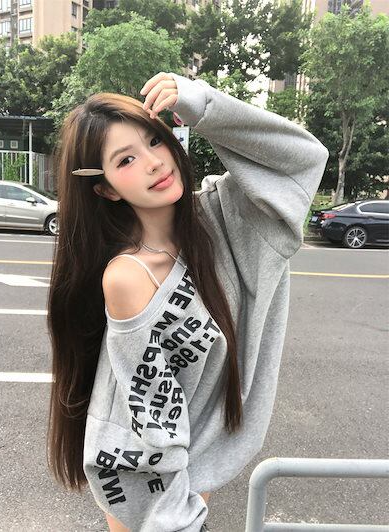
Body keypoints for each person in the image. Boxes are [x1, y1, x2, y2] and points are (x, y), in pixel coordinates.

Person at [46, 71, 329, 532]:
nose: (154, 163)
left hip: (197, 468)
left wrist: (204, 106)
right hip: (146, 488)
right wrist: (179, 518)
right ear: (106, 188)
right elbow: (152, 412)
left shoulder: (223, 220)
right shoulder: (129, 277)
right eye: (126, 159)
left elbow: (304, 159)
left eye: (154, 141)